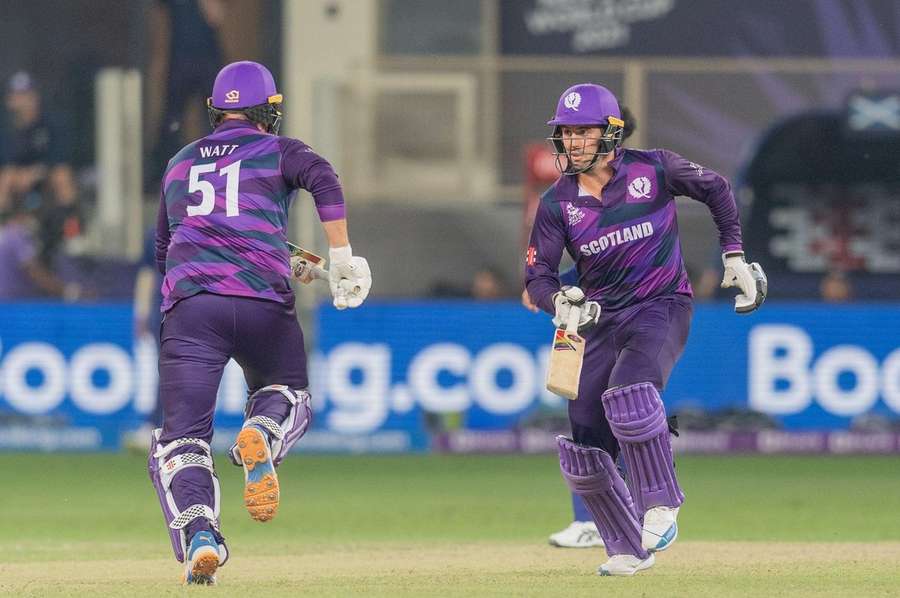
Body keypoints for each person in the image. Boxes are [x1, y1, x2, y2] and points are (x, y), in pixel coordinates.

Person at [524, 83, 766, 576]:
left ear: (611, 132)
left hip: (661, 305)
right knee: (586, 441)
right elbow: (538, 277)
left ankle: (660, 502)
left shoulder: (653, 168)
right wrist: (560, 302)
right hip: (599, 319)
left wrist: (734, 255)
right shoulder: (556, 203)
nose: (572, 142)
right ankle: (627, 547)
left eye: (583, 131)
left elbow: (717, 188)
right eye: (565, 132)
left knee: (631, 391)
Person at [148, 61, 372, 585]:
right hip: (260, 303)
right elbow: (324, 178)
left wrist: (204, 278)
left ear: (215, 111)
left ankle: (201, 535)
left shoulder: (179, 162)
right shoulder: (281, 149)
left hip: (192, 307)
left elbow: (166, 247)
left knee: (180, 441)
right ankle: (261, 434)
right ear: (270, 110)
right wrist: (339, 256)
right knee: (288, 392)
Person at [0, 71, 80, 265]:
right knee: (7, 178)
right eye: (18, 96)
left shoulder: (50, 123)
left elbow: (59, 159)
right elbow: (7, 164)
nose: (23, 101)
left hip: (45, 178)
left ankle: (73, 233)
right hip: (17, 183)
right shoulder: (7, 130)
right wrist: (20, 176)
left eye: (27, 95)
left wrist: (36, 172)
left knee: (62, 176)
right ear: (10, 100)